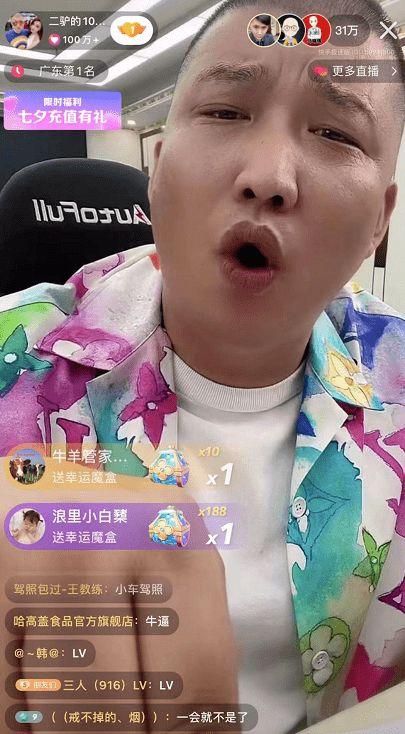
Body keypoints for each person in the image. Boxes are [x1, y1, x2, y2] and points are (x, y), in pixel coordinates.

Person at [0, 0, 404, 731]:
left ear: (380, 218)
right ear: (156, 172)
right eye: (224, 112)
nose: (269, 177)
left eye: (335, 133)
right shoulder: (12, 352)